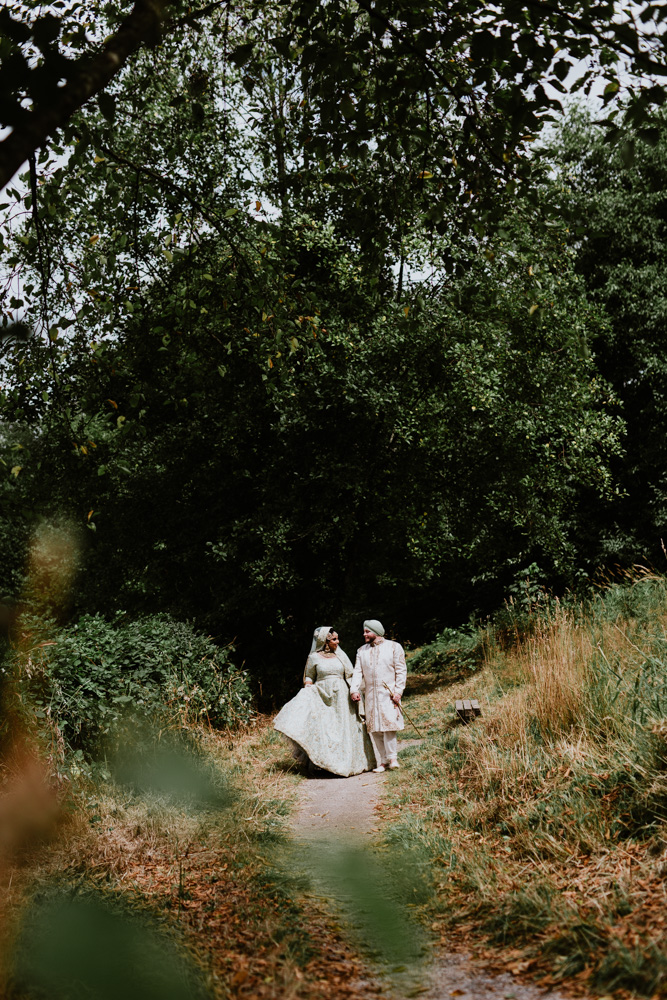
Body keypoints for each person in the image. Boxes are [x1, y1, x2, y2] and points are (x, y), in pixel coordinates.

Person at [273, 626, 376, 777]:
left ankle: (346, 764)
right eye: (334, 639)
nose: (337, 641)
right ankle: (326, 764)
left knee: (342, 729)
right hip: (322, 696)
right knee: (326, 729)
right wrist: (308, 687)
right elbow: (309, 676)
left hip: (342, 697)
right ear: (325, 642)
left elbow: (350, 674)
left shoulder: (341, 656)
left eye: (337, 638)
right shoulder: (314, 657)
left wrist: (354, 691)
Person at [350, 619, 407, 773]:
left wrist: (398, 691)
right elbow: (357, 672)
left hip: (388, 694)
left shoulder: (394, 647)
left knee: (389, 726)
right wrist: (354, 689)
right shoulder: (361, 651)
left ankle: (393, 758)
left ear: (377, 631)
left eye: (367, 631)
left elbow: (401, 670)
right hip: (370, 695)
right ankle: (382, 762)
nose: (364, 634)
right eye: (364, 631)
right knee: (374, 728)